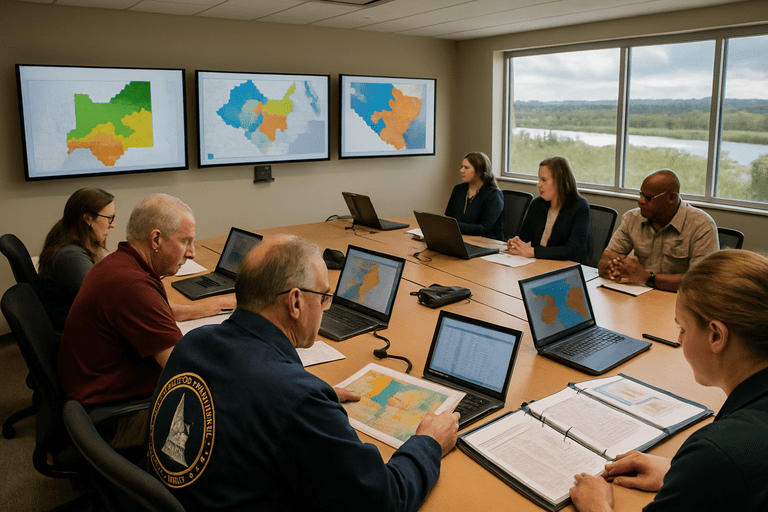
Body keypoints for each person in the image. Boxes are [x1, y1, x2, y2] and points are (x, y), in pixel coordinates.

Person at [147, 234, 460, 511]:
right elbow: (382, 499)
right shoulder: (296, 397)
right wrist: (429, 443)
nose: (325, 307)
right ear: (295, 301)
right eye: (323, 297)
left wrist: (307, 394)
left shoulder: (194, 342)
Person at [570, 250, 768, 512]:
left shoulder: (719, 451)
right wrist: (681, 472)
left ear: (716, 336)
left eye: (683, 329)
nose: (680, 340)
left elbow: (732, 461)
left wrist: (596, 506)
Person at [598, 169, 718, 292]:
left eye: (648, 198)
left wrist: (646, 278)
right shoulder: (632, 219)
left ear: (672, 198)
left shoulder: (701, 225)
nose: (641, 201)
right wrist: (618, 270)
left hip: (678, 299)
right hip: (638, 294)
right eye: (641, 195)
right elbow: (605, 262)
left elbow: (701, 282)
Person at [36, 188, 116, 332]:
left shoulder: (64, 234)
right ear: (87, 219)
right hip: (77, 335)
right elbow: (105, 302)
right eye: (109, 218)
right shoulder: (71, 257)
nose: (112, 225)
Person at [507, 156, 590, 261]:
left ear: (560, 181)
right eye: (539, 179)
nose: (538, 184)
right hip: (537, 263)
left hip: (564, 267)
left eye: (544, 180)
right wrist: (516, 243)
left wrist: (532, 251)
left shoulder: (580, 207)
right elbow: (524, 237)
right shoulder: (537, 204)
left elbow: (573, 250)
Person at [445, 151, 505, 240]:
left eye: (466, 167)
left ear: (479, 171)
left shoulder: (494, 195)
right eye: (462, 167)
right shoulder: (458, 189)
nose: (461, 170)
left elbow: (484, 228)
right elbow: (449, 217)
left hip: (486, 243)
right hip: (461, 238)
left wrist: (455, 226)